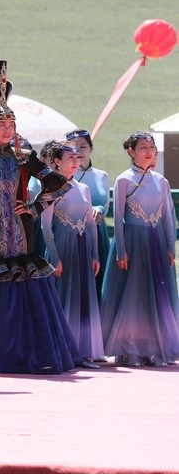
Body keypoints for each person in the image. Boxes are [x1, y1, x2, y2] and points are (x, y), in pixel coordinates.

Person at [0, 60, 87, 374]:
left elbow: (59, 184)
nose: (8, 129)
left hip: (20, 229)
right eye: (2, 125)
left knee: (23, 280)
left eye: (12, 124)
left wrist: (33, 207)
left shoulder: (25, 157)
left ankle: (27, 352)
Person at [100, 132, 179, 367]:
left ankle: (153, 348)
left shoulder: (161, 181)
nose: (149, 151)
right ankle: (130, 349)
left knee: (154, 296)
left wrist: (170, 246)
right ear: (131, 151)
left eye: (151, 147)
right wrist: (121, 250)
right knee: (133, 297)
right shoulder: (124, 179)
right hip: (132, 242)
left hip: (156, 243)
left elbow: (168, 216)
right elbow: (119, 217)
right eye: (143, 147)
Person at [40, 142, 105, 365]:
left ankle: (82, 351)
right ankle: (63, 350)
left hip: (83, 247)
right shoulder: (50, 188)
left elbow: (90, 223)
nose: (76, 161)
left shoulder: (83, 188)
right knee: (64, 298)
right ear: (57, 161)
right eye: (70, 158)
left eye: (77, 157)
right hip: (63, 248)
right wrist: (54, 258)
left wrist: (95, 254)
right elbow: (45, 226)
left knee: (83, 298)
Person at [66, 129, 111, 304]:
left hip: (98, 233)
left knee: (98, 280)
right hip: (72, 234)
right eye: (74, 147)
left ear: (91, 148)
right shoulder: (65, 176)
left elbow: (105, 205)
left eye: (83, 146)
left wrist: (99, 209)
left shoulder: (102, 176)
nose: (78, 151)